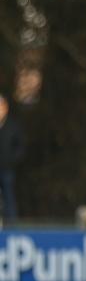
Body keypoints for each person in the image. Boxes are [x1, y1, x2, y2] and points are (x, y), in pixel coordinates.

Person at [0, 93, 25, 226]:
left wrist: (11, 160)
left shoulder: (13, 126)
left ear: (6, 108)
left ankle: (11, 227)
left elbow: (20, 147)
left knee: (9, 198)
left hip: (7, 169)